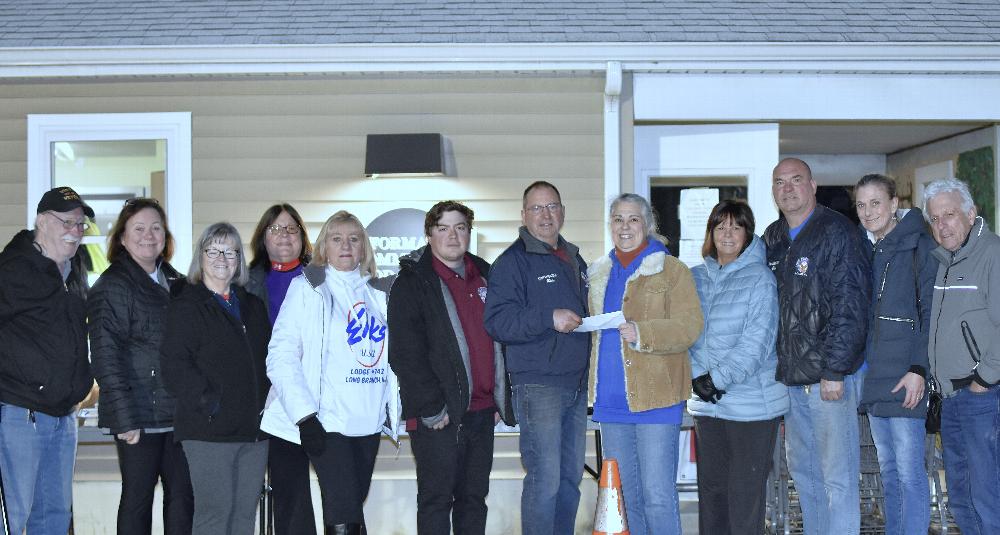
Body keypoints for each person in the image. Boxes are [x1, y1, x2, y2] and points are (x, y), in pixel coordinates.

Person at [261, 210, 398, 535]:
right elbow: (279, 356)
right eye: (337, 238)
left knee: (352, 506)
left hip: (367, 422)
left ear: (364, 247)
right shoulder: (307, 288)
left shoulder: (380, 294)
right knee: (343, 509)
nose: (346, 245)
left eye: (354, 238)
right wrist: (305, 416)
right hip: (327, 421)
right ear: (324, 246)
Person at [388, 200, 516, 534]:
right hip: (438, 416)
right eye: (443, 228)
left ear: (469, 233)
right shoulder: (412, 283)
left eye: (460, 227)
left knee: (474, 500)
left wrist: (501, 396)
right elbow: (404, 354)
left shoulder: (487, 275)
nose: (452, 236)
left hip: (482, 412)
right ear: (429, 234)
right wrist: (431, 407)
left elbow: (503, 340)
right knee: (436, 500)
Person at [762, 158, 871, 535]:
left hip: (828, 382)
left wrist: (835, 370)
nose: (787, 188)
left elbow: (851, 304)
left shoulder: (838, 231)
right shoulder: (773, 238)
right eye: (779, 182)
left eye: (796, 180)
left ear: (813, 185)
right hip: (789, 382)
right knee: (805, 477)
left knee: (837, 479)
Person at [587, 193, 702, 535]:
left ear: (648, 225)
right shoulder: (597, 273)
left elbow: (690, 326)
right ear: (610, 225)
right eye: (618, 220)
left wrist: (643, 331)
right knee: (623, 497)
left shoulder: (672, 270)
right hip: (610, 401)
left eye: (633, 219)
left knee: (657, 495)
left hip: (657, 398)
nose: (625, 227)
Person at [484, 180, 590, 535]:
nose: (546, 215)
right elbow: (497, 321)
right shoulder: (512, 263)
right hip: (538, 386)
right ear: (523, 215)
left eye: (552, 206)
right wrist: (548, 317)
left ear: (563, 211)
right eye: (537, 208)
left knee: (570, 479)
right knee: (545, 480)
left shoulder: (574, 257)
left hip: (575, 386)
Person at [88, 197, 193, 535]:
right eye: (139, 228)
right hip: (137, 418)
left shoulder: (177, 282)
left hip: (177, 416)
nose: (149, 236)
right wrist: (123, 419)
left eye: (156, 228)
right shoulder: (112, 285)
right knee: (138, 501)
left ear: (166, 235)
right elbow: (106, 355)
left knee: (182, 500)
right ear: (121, 237)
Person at [160, 222, 272, 535]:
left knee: (243, 519)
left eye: (230, 251)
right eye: (214, 250)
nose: (222, 257)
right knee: (214, 518)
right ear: (201, 256)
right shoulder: (187, 305)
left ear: (239, 260)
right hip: (209, 432)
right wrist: (211, 402)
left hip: (254, 433)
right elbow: (174, 366)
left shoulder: (252, 306)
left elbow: (269, 360)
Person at [688, 199, 788, 535]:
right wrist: (694, 377)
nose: (728, 233)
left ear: (748, 232)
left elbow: (757, 343)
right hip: (707, 407)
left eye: (736, 225)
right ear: (710, 232)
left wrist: (715, 379)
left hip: (751, 408)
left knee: (744, 499)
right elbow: (683, 335)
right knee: (713, 496)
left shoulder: (760, 278)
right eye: (721, 226)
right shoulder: (695, 277)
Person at [0, 186, 94, 535]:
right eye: (66, 221)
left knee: (54, 517)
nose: (75, 230)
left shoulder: (76, 269)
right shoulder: (12, 270)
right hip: (20, 415)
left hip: (64, 417)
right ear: (42, 220)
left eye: (81, 224)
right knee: (14, 514)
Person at [853, 174, 935, 535]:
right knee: (888, 470)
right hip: (875, 379)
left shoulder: (920, 248)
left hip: (906, 377)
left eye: (875, 203)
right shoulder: (868, 250)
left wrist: (919, 368)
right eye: (861, 204)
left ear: (894, 204)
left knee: (909, 472)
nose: (868, 212)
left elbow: (932, 315)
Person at [923, 177, 1000, 534]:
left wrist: (984, 380)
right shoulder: (946, 260)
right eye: (935, 219)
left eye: (950, 215)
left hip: (983, 397)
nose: (942, 225)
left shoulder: (992, 254)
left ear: (971, 213)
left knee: (988, 496)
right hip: (951, 398)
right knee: (961, 497)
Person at [246, 203, 316, 535]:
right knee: (289, 489)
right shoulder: (245, 282)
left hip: (321, 396)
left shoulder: (321, 278)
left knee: (341, 490)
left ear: (303, 237)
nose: (284, 236)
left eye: (291, 229)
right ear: (263, 238)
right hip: (273, 400)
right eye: (275, 229)